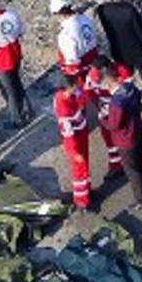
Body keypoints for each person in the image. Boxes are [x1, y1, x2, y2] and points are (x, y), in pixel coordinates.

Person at [96, 68, 142, 207]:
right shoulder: (130, 89)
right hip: (137, 132)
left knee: (133, 171)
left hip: (125, 141)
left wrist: (103, 118)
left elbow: (114, 125)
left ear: (108, 84)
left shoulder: (116, 103)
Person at [53, 72, 97, 211]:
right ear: (68, 87)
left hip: (81, 133)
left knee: (85, 166)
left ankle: (87, 192)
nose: (77, 88)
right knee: (80, 171)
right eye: (75, 86)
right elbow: (68, 135)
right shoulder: (64, 109)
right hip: (75, 141)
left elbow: (81, 97)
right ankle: (81, 200)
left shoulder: (69, 95)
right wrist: (75, 152)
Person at [54, 0, 104, 78]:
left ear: (59, 14)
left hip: (83, 69)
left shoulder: (65, 34)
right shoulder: (84, 19)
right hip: (95, 61)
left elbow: (72, 60)